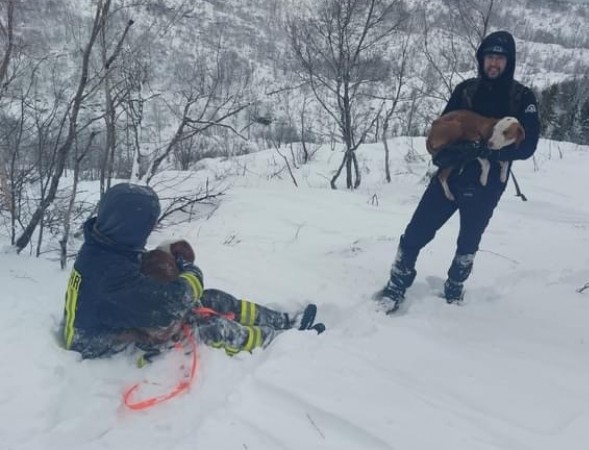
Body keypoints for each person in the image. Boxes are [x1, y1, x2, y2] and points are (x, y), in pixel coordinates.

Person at [61, 182, 324, 361]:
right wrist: (189, 271)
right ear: (129, 226)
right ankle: (277, 341)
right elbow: (175, 302)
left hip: (114, 315)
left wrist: (164, 256)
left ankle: (284, 320)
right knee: (208, 327)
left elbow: (134, 279)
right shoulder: (109, 273)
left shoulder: (106, 243)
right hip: (100, 342)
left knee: (212, 298)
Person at [375, 30, 540, 313]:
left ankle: (454, 287)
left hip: (486, 187)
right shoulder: (466, 90)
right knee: (416, 231)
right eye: (489, 57)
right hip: (453, 174)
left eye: (500, 58)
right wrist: (449, 152)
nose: (494, 63)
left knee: (468, 242)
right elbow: (444, 124)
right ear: (481, 59)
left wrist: (491, 151)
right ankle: (397, 284)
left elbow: (528, 145)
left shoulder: (522, 97)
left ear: (509, 62)